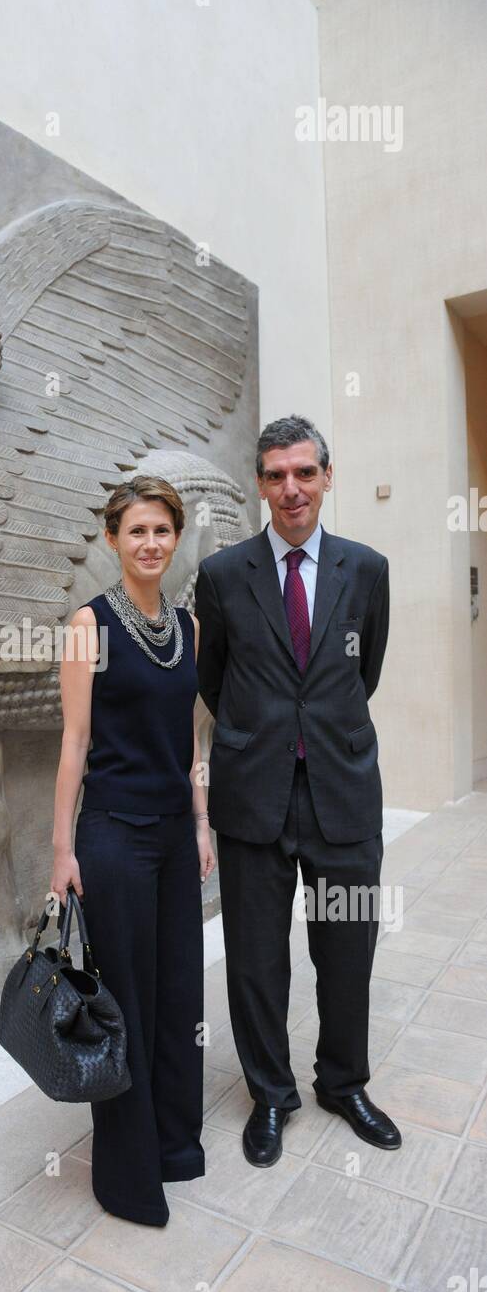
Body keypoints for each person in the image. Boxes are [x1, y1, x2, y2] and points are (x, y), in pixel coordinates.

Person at [195, 414, 401, 1168]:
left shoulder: (366, 569)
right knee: (254, 958)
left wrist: (317, 730)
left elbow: (361, 672)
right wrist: (264, 736)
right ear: (259, 485)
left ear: (325, 477)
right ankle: (270, 1096)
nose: (291, 489)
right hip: (254, 799)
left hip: (342, 798)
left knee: (346, 950)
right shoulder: (222, 577)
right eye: (276, 475)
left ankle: (342, 1084)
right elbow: (212, 679)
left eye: (304, 473)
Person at [51, 474, 214, 1228]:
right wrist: (61, 850)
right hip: (111, 836)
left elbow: (190, 742)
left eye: (161, 531)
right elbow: (74, 743)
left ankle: (176, 1145)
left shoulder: (189, 626)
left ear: (175, 540)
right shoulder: (87, 626)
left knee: (179, 992)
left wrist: (202, 822)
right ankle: (126, 1175)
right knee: (126, 1004)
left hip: (176, 837)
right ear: (113, 539)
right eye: (135, 531)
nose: (149, 543)